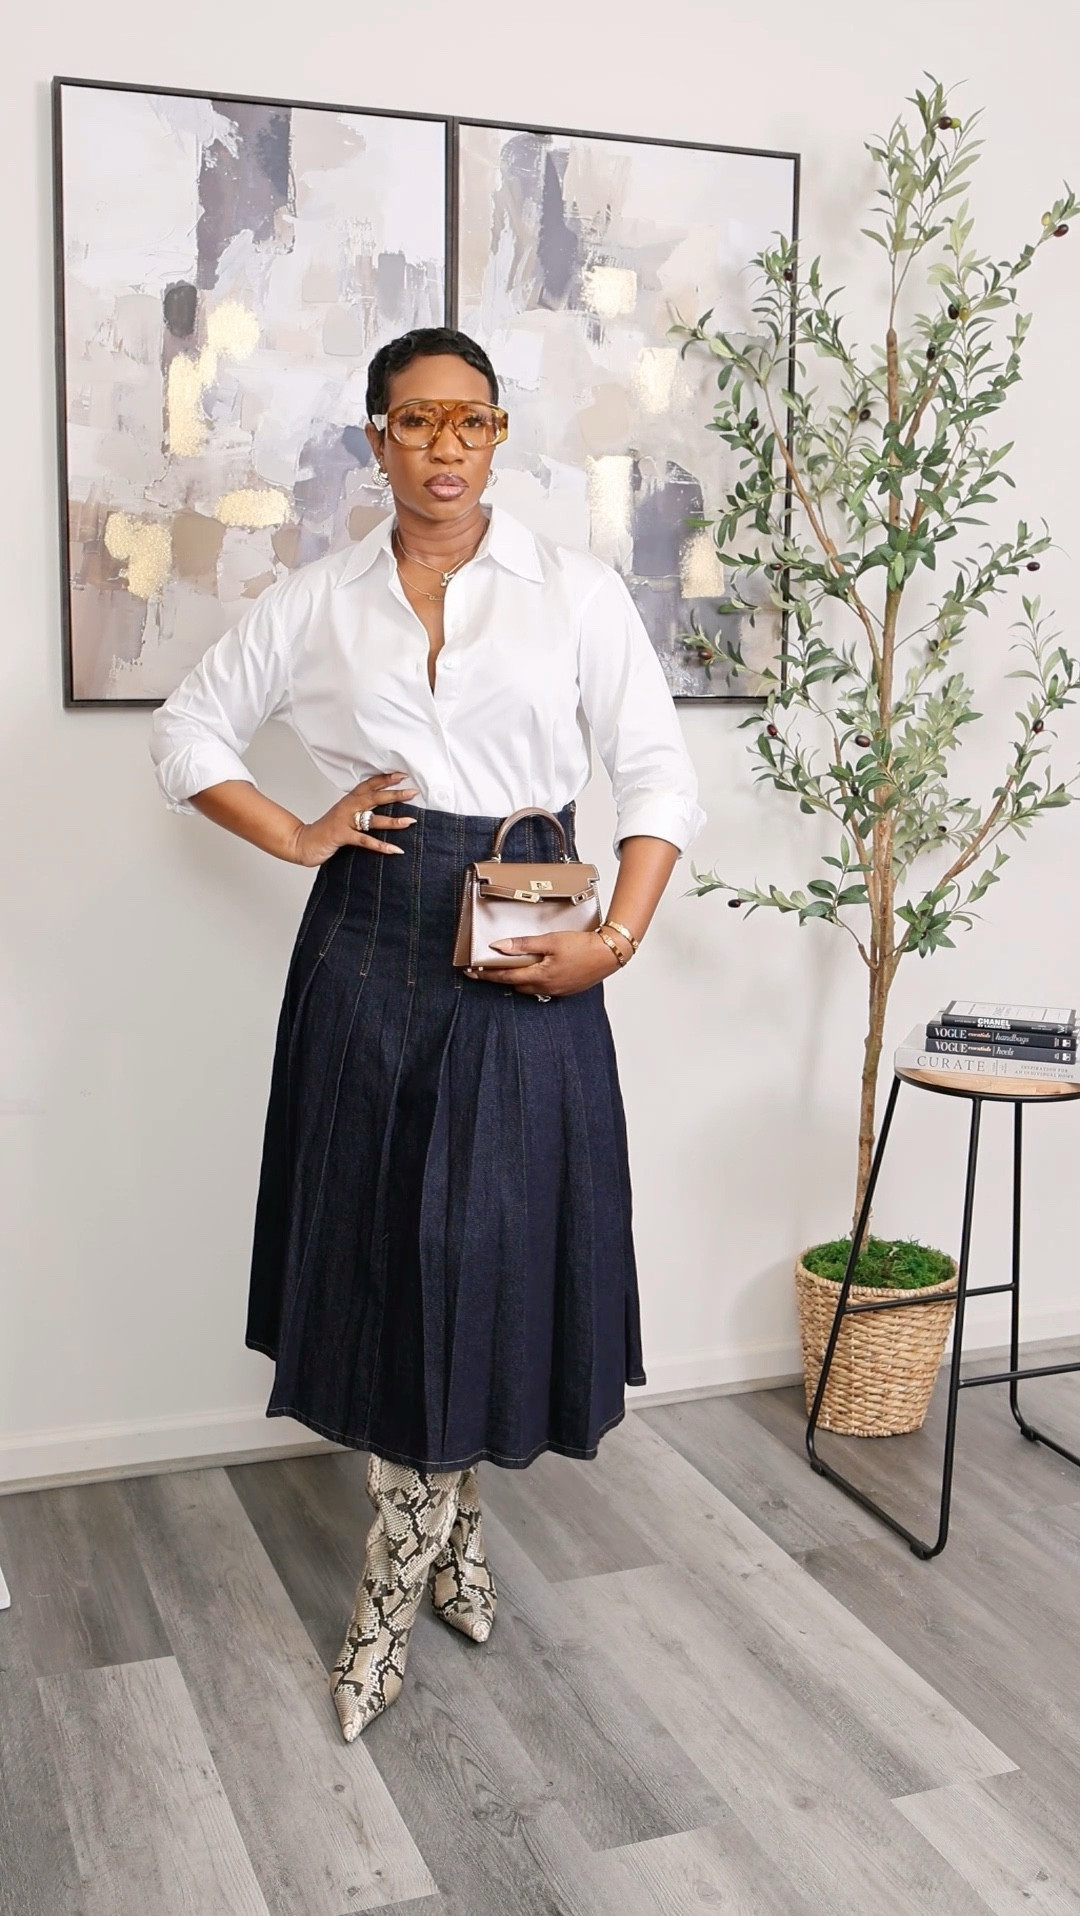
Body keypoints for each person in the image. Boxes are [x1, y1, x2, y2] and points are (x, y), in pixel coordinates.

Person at [150, 326, 705, 1742]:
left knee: (484, 1254)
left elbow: (657, 777)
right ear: (376, 442)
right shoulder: (323, 598)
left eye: (468, 421)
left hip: (534, 932)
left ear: (501, 437)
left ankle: (411, 1571)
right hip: (369, 944)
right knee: (389, 1255)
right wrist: (299, 831)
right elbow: (190, 733)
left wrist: (617, 943)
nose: (443, 446)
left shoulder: (572, 594)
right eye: (414, 422)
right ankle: (422, 1560)